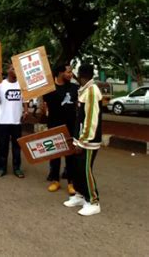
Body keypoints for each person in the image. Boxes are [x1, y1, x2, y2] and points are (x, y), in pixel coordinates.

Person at [63, 64, 102, 216]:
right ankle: (80, 195)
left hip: (88, 141)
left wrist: (83, 141)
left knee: (85, 171)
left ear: (81, 75)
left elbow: (91, 119)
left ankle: (93, 201)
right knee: (77, 170)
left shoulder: (92, 91)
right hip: (79, 138)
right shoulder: (84, 89)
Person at [42, 64, 78, 193]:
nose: (71, 74)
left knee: (70, 156)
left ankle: (71, 183)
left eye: (71, 72)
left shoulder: (75, 88)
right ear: (60, 73)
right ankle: (55, 180)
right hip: (54, 126)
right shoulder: (49, 89)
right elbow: (43, 105)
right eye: (68, 72)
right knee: (55, 155)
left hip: (70, 126)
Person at [0, 64, 27, 178]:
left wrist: (25, 111)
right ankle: (2, 168)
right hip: (4, 121)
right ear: (8, 70)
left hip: (16, 121)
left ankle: (17, 168)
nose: (15, 70)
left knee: (16, 147)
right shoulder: (0, 86)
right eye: (13, 68)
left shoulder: (21, 85)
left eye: (17, 68)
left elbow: (24, 100)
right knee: (3, 146)